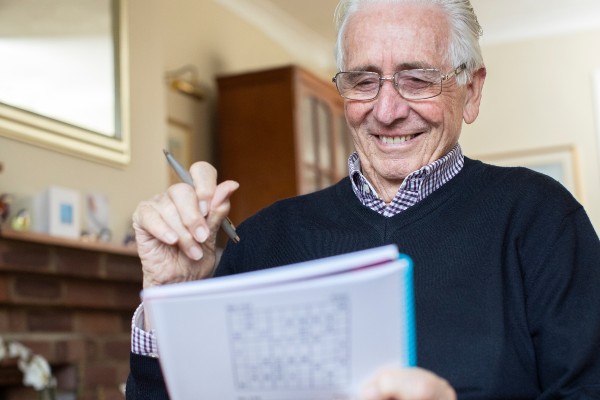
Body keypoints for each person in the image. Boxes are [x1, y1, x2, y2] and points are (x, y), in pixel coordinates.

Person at [126, 0, 600, 398]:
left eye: (417, 79)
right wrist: (168, 301)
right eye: (364, 80)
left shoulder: (541, 219)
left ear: (471, 92)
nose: (387, 111)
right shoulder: (260, 240)